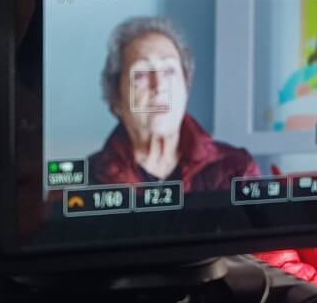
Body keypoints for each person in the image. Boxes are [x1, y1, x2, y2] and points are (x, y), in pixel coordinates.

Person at [87, 16, 259, 189]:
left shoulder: (237, 169)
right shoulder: (87, 179)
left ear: (186, 87)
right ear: (116, 98)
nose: (159, 86)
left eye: (169, 71)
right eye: (141, 74)